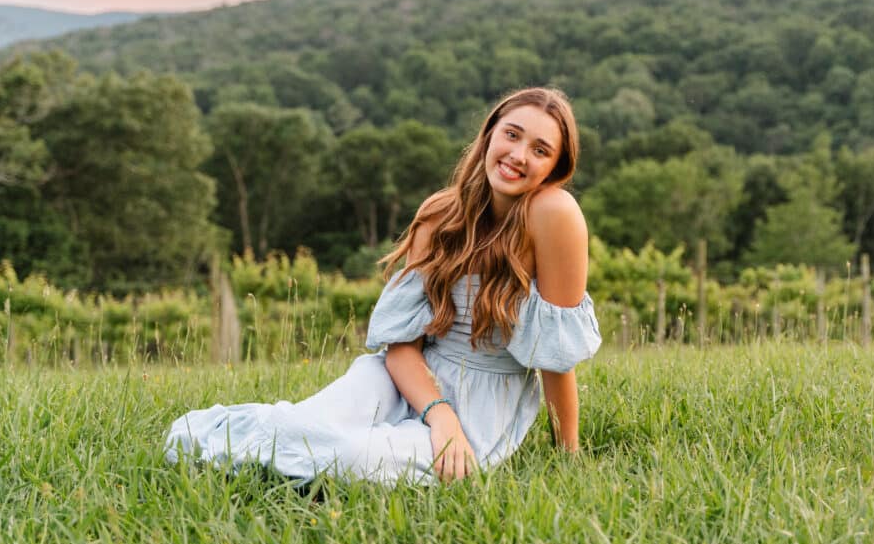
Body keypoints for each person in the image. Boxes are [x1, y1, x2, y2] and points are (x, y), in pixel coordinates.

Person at [165, 87, 602, 484]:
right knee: (295, 430)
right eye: (512, 134)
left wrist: (569, 456)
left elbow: (556, 357)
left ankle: (257, 464)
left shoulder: (554, 215)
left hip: (482, 406)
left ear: (554, 169)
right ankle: (218, 442)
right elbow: (401, 345)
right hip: (401, 378)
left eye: (540, 149)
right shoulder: (440, 214)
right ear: (489, 136)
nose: (519, 154)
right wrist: (437, 412)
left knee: (353, 456)